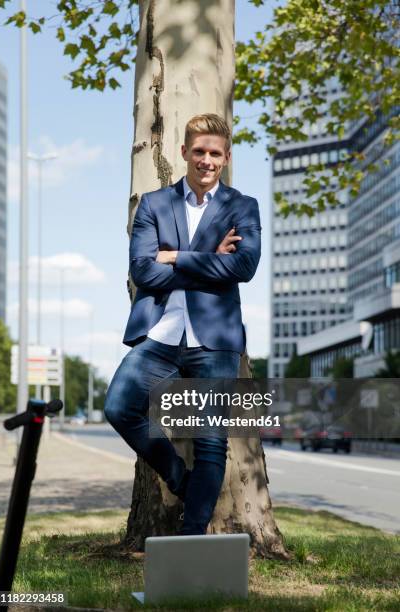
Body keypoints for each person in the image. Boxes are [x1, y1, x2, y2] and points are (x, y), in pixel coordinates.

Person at [104, 113, 261, 535]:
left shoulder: (242, 206)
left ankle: (191, 540)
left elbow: (244, 266)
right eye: (199, 152)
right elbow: (143, 272)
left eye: (215, 153)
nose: (206, 160)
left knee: (211, 443)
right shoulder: (155, 204)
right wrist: (212, 256)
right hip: (161, 333)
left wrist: (175, 256)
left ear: (226, 157)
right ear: (184, 153)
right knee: (119, 407)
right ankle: (179, 478)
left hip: (216, 341)